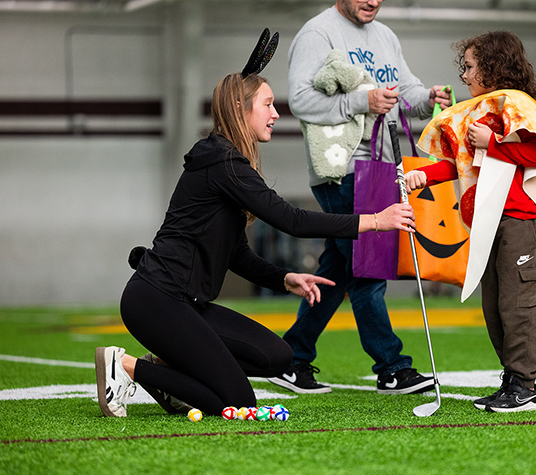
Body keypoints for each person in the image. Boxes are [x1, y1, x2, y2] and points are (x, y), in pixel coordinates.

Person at [94, 29, 416, 418]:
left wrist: (285, 279)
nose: (276, 113)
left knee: (277, 356)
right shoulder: (223, 162)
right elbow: (290, 220)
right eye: (267, 104)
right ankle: (126, 365)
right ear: (240, 109)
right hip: (157, 301)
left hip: (187, 304)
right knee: (237, 402)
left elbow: (237, 256)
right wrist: (375, 221)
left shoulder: (229, 162)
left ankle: (165, 368)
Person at [268, 0, 452, 395]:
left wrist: (429, 98)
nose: (372, 1)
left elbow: (406, 92)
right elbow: (299, 100)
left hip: (380, 169)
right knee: (369, 269)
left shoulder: (384, 35)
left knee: (341, 268)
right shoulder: (317, 33)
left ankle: (291, 356)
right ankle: (392, 367)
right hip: (341, 170)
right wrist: (360, 102)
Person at [405, 31, 536, 412]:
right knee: (495, 305)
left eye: (470, 66)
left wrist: (493, 143)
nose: (464, 75)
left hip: (518, 217)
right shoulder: (477, 111)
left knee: (518, 303)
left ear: (492, 66)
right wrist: (424, 176)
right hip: (487, 222)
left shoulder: (518, 105)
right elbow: (460, 163)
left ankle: (526, 385)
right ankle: (513, 379)